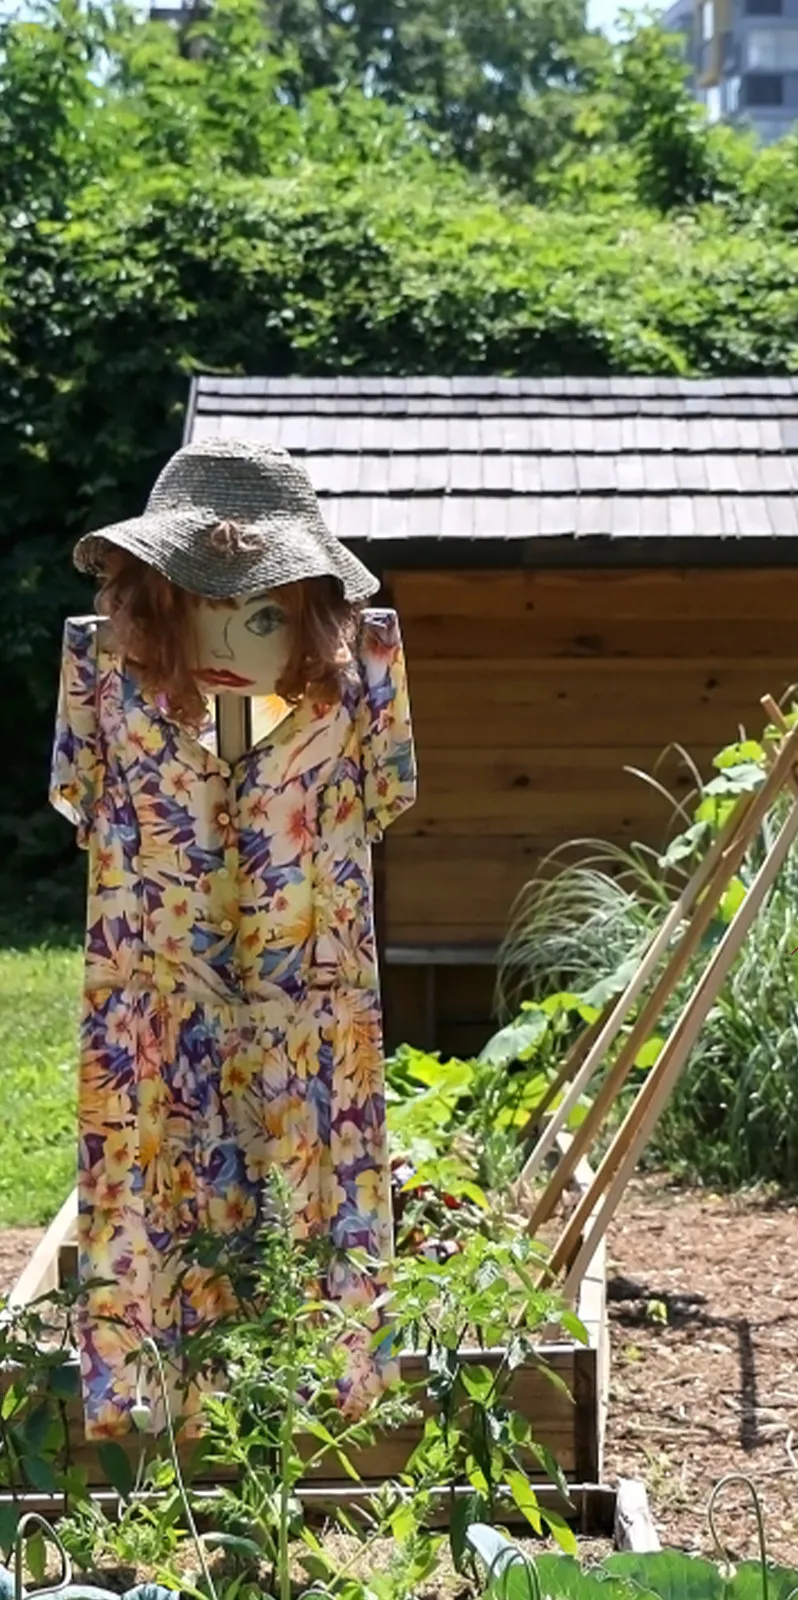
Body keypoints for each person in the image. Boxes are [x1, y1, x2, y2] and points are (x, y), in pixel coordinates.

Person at [48, 436, 417, 1439]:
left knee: (311, 1214)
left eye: (257, 604)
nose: (227, 631)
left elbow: (382, 795)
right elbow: (85, 796)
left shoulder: (367, 668)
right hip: (154, 1031)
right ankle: (159, 1418)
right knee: (156, 1207)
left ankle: (309, 1421)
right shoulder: (98, 670)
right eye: (197, 597)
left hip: (313, 1019)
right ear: (154, 595)